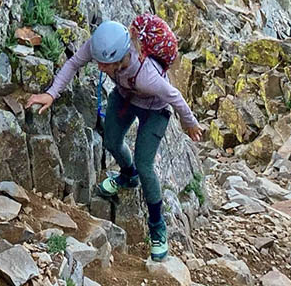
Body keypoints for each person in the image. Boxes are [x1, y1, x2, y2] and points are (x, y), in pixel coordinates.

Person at [26, 20, 204, 262]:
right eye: (99, 61)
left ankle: (157, 228)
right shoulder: (101, 45)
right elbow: (74, 63)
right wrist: (51, 93)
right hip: (125, 96)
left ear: (121, 57)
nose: (100, 67)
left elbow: (175, 97)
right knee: (111, 141)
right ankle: (127, 176)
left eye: (105, 64)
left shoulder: (148, 76)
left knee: (145, 165)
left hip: (155, 110)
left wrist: (190, 122)